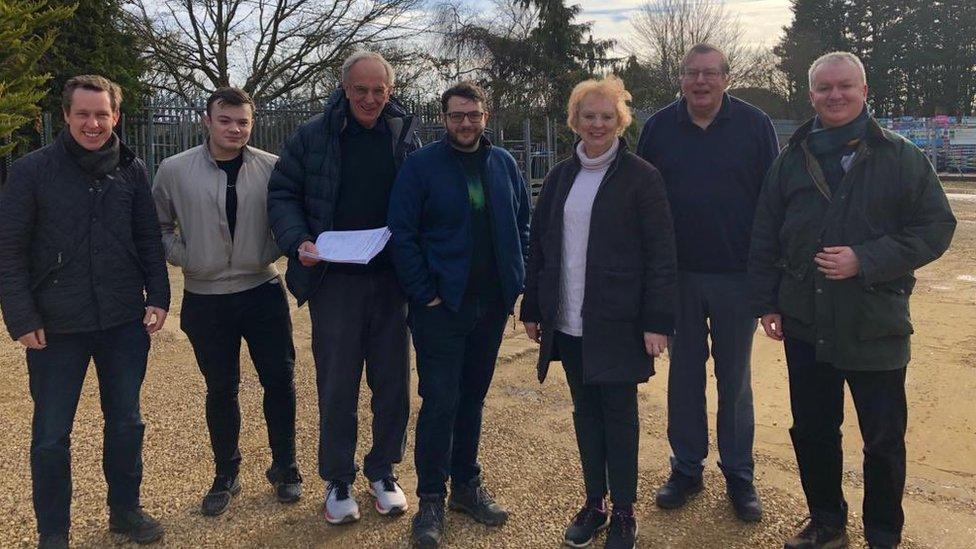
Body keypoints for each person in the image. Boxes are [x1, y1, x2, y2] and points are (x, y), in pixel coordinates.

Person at [749, 52, 956, 549]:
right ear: (811, 95)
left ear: (865, 92)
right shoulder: (790, 158)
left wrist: (867, 259)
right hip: (806, 322)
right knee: (815, 431)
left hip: (875, 324)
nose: (835, 96)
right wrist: (767, 302)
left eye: (845, 87)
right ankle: (826, 522)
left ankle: (883, 533)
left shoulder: (901, 156)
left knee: (883, 441)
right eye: (824, 88)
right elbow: (765, 233)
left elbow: (936, 226)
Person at [0, 75, 170, 548]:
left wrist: (158, 295)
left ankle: (126, 511)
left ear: (116, 117)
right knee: (52, 434)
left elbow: (147, 239)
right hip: (56, 326)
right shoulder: (32, 171)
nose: (93, 124)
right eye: (83, 114)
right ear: (67, 116)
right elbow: (9, 249)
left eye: (102, 114)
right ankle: (53, 532)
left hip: (121, 320)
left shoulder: (132, 170)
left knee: (127, 422)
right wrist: (22, 316)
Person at [521, 75, 677, 549]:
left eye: (606, 117)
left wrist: (657, 321)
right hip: (568, 321)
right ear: (575, 120)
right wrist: (533, 308)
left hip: (619, 321)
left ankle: (625, 510)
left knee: (619, 416)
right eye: (588, 116)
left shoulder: (642, 178)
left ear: (620, 121)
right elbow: (541, 248)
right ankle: (595, 503)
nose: (597, 124)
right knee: (585, 414)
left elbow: (661, 255)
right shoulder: (559, 178)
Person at [267, 50, 419, 524]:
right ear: (344, 87)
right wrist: (298, 240)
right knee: (337, 385)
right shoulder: (312, 135)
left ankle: (383, 470)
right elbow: (283, 193)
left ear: (390, 91)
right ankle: (337, 478)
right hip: (334, 281)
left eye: (379, 90)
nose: (370, 98)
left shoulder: (404, 137)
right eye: (360, 89)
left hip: (391, 279)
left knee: (393, 384)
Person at [636, 43, 779, 521]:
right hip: (678, 276)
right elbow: (643, 202)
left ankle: (739, 474)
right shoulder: (658, 128)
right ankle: (687, 468)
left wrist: (768, 280)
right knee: (684, 376)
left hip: (737, 277)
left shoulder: (755, 126)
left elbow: (771, 204)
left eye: (710, 73)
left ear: (726, 77)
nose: (701, 82)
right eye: (692, 74)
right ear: (681, 78)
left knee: (735, 379)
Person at [387, 81, 530, 548]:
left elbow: (522, 222)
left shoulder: (504, 163)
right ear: (444, 118)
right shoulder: (421, 167)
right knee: (440, 402)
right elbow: (401, 234)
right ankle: (431, 496)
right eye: (456, 116)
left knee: (472, 399)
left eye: (474, 115)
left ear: (486, 116)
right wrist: (424, 293)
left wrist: (516, 278)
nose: (465, 123)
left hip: (489, 308)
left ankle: (466, 486)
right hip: (440, 309)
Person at [152, 87, 301, 516]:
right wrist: (190, 258)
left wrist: (268, 251)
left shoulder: (273, 168)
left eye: (242, 122)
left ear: (251, 124)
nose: (234, 129)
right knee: (221, 387)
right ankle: (226, 473)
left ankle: (286, 467)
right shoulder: (174, 170)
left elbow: (289, 219)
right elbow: (158, 226)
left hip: (262, 291)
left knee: (279, 381)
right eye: (225, 120)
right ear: (207, 121)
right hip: (206, 298)